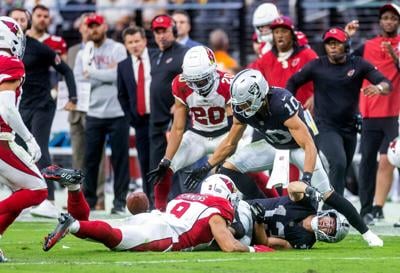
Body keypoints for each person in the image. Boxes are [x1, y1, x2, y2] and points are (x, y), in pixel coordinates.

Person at [184, 69, 383, 247]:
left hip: (300, 148)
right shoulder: (241, 109)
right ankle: (257, 206)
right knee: (227, 169)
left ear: (258, 95)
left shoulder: (281, 104)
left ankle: (367, 233)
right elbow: (230, 143)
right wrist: (207, 166)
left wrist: (306, 178)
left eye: (245, 103)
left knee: (327, 194)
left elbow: (309, 145)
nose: (242, 108)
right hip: (273, 145)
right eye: (239, 103)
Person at [42, 171, 273, 253]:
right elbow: (229, 246)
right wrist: (256, 249)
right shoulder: (218, 209)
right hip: (163, 233)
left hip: (154, 217)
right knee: (113, 239)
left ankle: (73, 188)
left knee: (95, 228)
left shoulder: (185, 196)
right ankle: (70, 224)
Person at [286, 27, 391, 205]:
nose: (333, 47)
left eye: (337, 43)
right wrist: (291, 108)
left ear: (346, 45)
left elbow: (385, 82)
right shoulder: (317, 65)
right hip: (324, 125)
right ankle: (335, 211)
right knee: (339, 163)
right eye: (329, 44)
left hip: (349, 127)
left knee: (342, 168)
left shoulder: (358, 64)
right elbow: (293, 81)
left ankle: (326, 204)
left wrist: (379, 88)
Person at [9, 8, 77, 219]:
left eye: (23, 20)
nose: (19, 23)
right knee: (17, 149)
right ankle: (20, 197)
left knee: (40, 147)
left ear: (28, 25)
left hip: (42, 105)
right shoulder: (7, 52)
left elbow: (65, 70)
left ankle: (48, 200)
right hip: (19, 106)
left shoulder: (40, 48)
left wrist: (72, 97)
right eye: (15, 20)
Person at [147, 46, 234, 211]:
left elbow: (233, 128)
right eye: (192, 80)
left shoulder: (227, 84)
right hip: (197, 135)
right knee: (165, 168)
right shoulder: (180, 84)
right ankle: (159, 214)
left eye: (200, 80)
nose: (196, 85)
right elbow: (178, 127)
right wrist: (167, 159)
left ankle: (272, 207)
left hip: (225, 135)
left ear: (213, 72)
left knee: (247, 167)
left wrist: (218, 159)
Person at [0, 16, 48, 262]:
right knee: (37, 190)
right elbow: (7, 108)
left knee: (21, 191)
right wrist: (29, 138)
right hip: (0, 139)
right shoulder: (10, 62)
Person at [74, 13, 130, 214]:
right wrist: (107, 74)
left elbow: (120, 76)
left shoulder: (118, 48)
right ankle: (88, 202)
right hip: (94, 112)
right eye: (90, 26)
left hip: (118, 112)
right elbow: (81, 81)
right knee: (90, 160)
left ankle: (120, 203)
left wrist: (94, 73)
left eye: (96, 26)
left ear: (104, 26)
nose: (93, 29)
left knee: (120, 160)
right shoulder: (82, 54)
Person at [353, 3, 400, 224]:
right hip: (370, 114)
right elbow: (345, 64)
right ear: (380, 21)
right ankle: (367, 209)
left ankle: (379, 205)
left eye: (393, 18)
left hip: (394, 114)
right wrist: (347, 37)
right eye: (386, 18)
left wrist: (395, 57)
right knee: (367, 164)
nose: (389, 21)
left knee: (389, 160)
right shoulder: (366, 46)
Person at [67, 13, 107, 211]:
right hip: (76, 109)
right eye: (85, 24)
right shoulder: (73, 50)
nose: (88, 28)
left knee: (96, 156)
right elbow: (67, 79)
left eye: (91, 25)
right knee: (78, 156)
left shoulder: (103, 50)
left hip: (96, 108)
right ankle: (77, 199)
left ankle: (98, 198)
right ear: (81, 27)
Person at [148, 14, 187, 194]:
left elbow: (193, 83)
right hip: (156, 118)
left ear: (174, 31)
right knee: (157, 165)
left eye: (165, 31)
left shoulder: (184, 53)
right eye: (157, 32)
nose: (161, 35)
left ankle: (179, 201)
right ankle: (158, 205)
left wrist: (181, 103)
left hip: (175, 121)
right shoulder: (154, 54)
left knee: (177, 164)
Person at [248, 181, 350, 249]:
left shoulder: (304, 241)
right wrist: (309, 190)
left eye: (330, 229)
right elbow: (291, 187)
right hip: (246, 208)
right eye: (331, 222)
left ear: (328, 237)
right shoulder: (309, 204)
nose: (327, 225)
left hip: (248, 235)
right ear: (328, 215)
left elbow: (265, 243)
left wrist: (259, 222)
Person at [117, 26, 153, 207]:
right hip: (139, 122)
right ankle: (150, 203)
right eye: (130, 42)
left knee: (163, 161)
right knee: (145, 163)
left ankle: (168, 199)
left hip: (159, 120)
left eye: (137, 41)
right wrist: (132, 118)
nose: (134, 45)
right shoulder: (123, 66)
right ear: (125, 45)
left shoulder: (156, 58)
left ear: (145, 41)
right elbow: (122, 95)